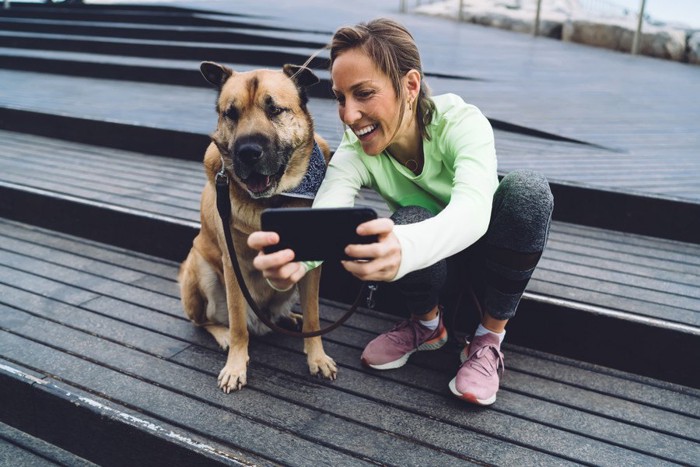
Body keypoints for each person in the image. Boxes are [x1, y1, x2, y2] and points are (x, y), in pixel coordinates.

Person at [248, 18, 553, 406]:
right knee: (408, 215)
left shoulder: (461, 122)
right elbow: (329, 210)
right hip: (432, 270)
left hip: (489, 263)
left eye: (364, 94)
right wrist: (289, 264)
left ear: (410, 86)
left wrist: (403, 248)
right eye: (340, 98)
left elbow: (475, 209)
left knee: (528, 192)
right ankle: (428, 326)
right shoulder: (356, 148)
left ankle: (488, 339)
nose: (349, 114)